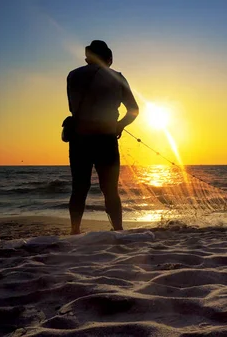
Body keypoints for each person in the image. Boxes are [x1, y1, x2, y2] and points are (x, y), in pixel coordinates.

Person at [66, 40, 139, 234]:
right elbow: (134, 110)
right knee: (110, 190)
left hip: (79, 139)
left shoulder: (73, 75)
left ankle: (75, 231)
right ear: (109, 58)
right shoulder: (117, 77)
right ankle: (118, 231)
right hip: (105, 138)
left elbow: (72, 108)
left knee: (79, 188)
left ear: (88, 57)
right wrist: (119, 126)